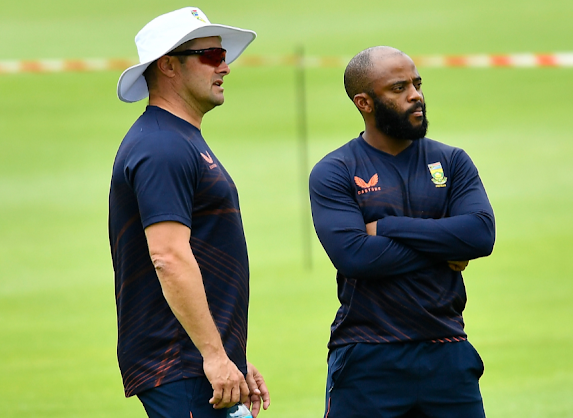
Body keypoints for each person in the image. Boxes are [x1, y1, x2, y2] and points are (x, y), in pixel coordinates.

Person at [309, 46, 496, 418]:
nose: (415, 95)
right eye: (398, 88)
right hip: (367, 355)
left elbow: (480, 235)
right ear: (364, 102)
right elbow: (356, 257)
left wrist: (386, 228)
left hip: (446, 351)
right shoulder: (335, 171)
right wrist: (444, 247)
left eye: (417, 83)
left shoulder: (451, 161)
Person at [108, 7, 270, 418]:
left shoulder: (176, 138)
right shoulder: (162, 146)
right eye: (212, 56)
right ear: (169, 67)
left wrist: (229, 354)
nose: (225, 67)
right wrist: (214, 356)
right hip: (180, 363)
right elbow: (169, 257)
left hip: (193, 361)